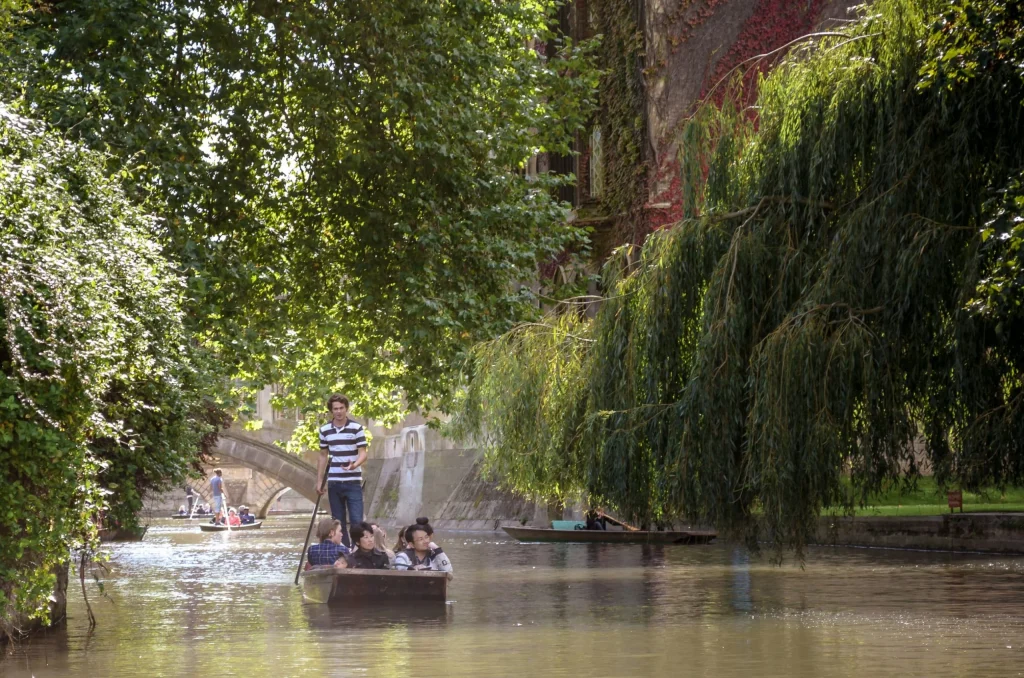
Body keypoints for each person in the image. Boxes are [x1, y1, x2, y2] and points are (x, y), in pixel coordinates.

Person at [315, 394, 368, 547]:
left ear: (346, 408)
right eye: (335, 409)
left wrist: (354, 464)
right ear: (331, 411)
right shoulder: (325, 430)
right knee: (338, 521)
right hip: (334, 482)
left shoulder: (356, 428)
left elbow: (363, 452)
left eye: (341, 408)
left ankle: (357, 550)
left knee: (357, 520)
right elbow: (323, 455)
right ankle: (343, 551)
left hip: (353, 481)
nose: (339, 411)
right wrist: (319, 482)